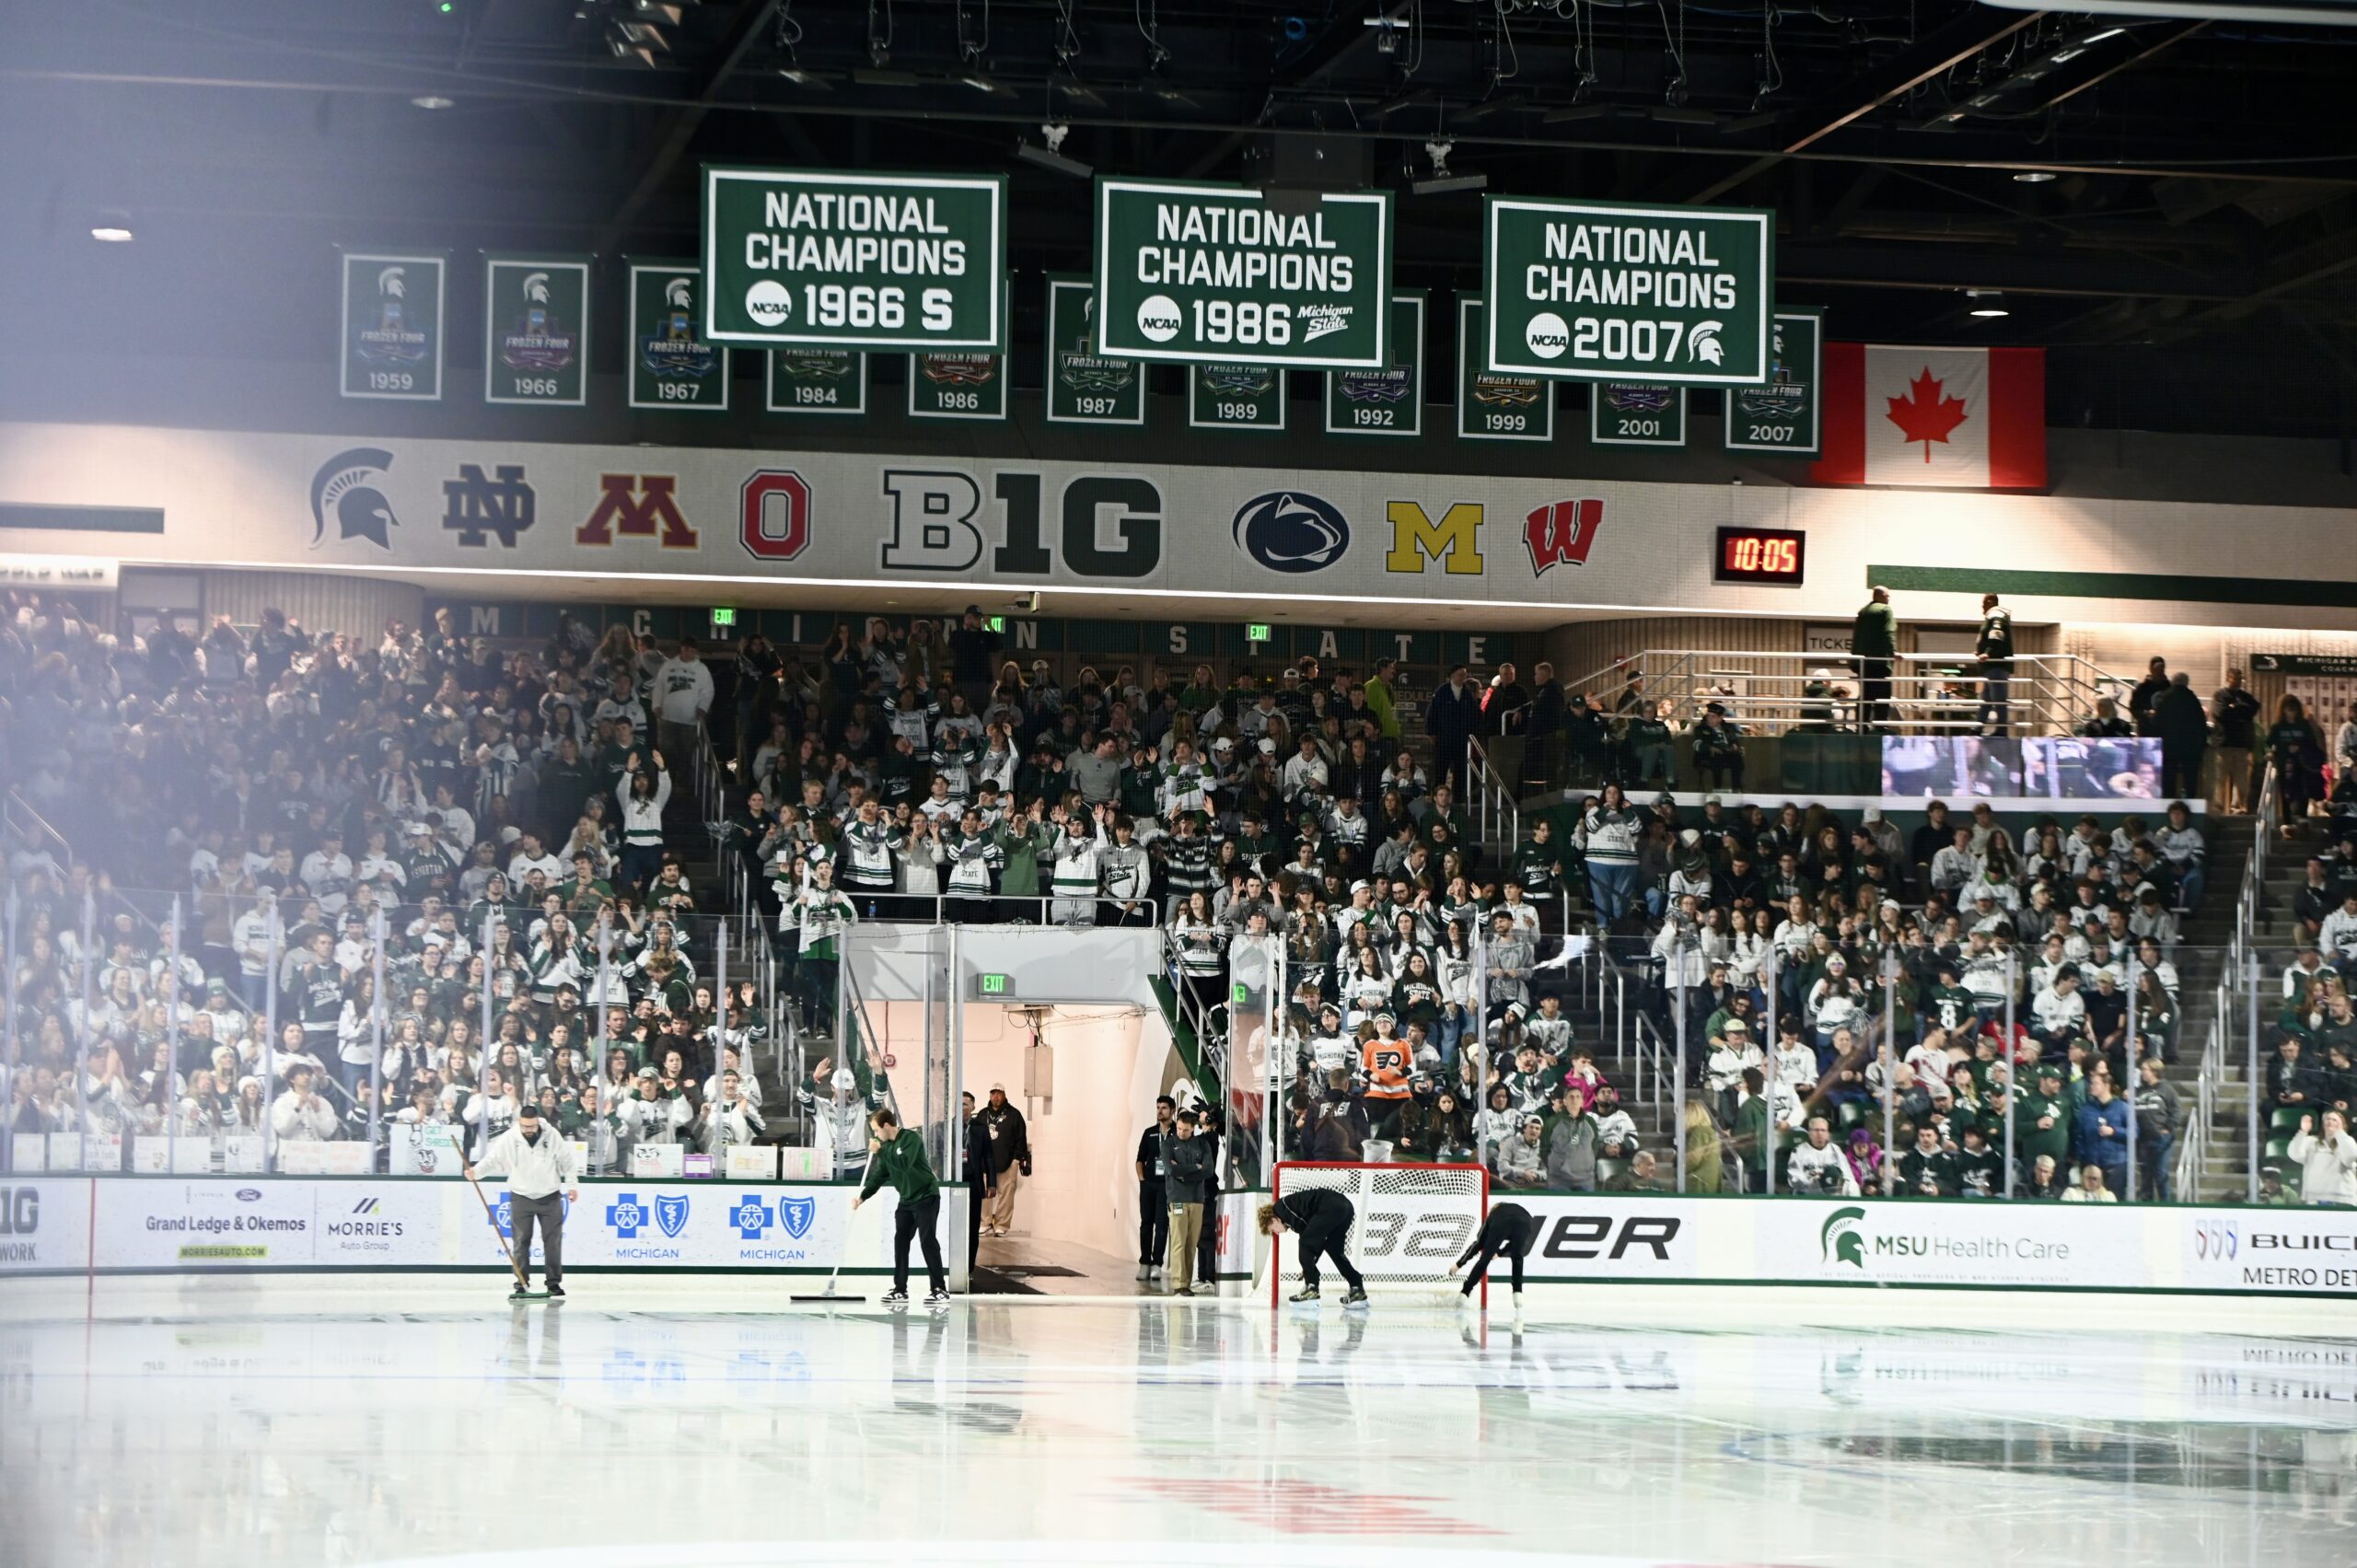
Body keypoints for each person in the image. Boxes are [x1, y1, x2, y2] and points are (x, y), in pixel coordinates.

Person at [466, 1098, 581, 1301]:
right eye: (525, 1126)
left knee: (552, 1242)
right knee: (520, 1242)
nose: (529, 1130)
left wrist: (572, 1185)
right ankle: (521, 1283)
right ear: (519, 1122)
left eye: (532, 1126)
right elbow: (493, 1159)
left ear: (538, 1122)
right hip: (521, 1196)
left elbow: (567, 1161)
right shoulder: (510, 1137)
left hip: (550, 1196)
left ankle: (553, 1283)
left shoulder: (552, 1134)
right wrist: (476, 1172)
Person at [853, 1106, 950, 1307]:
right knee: (901, 1241)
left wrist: (880, 1151)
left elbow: (904, 1163)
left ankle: (939, 1289)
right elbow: (880, 1175)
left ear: (887, 1126)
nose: (875, 1135)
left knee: (927, 1240)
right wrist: (863, 1196)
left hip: (926, 1195)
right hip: (906, 1201)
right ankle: (900, 1289)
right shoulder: (887, 1147)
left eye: (876, 1130)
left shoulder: (910, 1139)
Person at [1259, 1187, 1368, 1308]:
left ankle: (1311, 1288)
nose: (1276, 1233)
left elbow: (1308, 1241)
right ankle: (1357, 1287)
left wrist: (1308, 1271)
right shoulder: (1288, 1214)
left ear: (1274, 1220)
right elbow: (1316, 1240)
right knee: (1334, 1250)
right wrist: (1309, 1264)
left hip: (1331, 1206)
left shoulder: (1282, 1208)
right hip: (1345, 1207)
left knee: (1304, 1242)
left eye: (1273, 1230)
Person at [1447, 1200, 1538, 1312]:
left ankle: (1464, 1293)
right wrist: (1499, 1253)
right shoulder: (1516, 1210)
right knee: (1517, 1256)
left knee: (1485, 1259)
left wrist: (1459, 1264)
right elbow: (1513, 1245)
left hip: (1502, 1222)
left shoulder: (1493, 1215)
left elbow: (1478, 1244)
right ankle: (1518, 1293)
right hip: (1525, 1222)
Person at [1163, 1109, 1214, 1295]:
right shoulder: (1168, 1144)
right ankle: (1179, 1284)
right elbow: (1171, 1170)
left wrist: (1184, 1173)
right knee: (1178, 1242)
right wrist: (1196, 1167)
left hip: (1197, 1200)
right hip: (1177, 1198)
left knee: (1191, 1243)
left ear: (1193, 1128)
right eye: (1179, 1128)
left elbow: (1208, 1171)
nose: (1181, 1132)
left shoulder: (1202, 1145)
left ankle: (1186, 1283)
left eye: (1185, 1130)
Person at [974, 1083, 1030, 1237]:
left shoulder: (1014, 1114)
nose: (996, 1096)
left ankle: (1001, 1225)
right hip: (985, 1164)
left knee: (1006, 1195)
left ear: (1004, 1095)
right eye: (993, 1093)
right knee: (984, 1194)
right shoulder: (982, 1114)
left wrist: (1017, 1159)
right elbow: (975, 1137)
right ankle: (985, 1223)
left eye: (999, 1093)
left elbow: (1021, 1138)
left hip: (1007, 1162)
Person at [1134, 1094, 1176, 1283]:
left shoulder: (1177, 1132)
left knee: (1162, 1224)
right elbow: (1140, 1159)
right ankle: (1144, 1263)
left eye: (1164, 1108)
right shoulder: (1149, 1133)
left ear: (1172, 1110)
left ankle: (1157, 1264)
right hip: (1149, 1185)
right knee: (1146, 1223)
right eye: (1158, 1107)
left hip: (1167, 1186)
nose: (1160, 1111)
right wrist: (1142, 1180)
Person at [2211, 667, 2261, 814]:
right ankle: (2219, 807)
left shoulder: (2245, 697)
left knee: (2241, 779)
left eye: (2240, 679)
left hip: (2241, 744)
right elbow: (2220, 713)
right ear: (2228, 679)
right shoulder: (2219, 695)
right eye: (2235, 679)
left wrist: (2234, 708)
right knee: (2220, 778)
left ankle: (2239, 807)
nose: (2238, 682)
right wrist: (2240, 711)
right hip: (2224, 743)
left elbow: (2254, 709)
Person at [2154, 673, 2209, 801]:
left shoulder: (2164, 697)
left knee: (2169, 775)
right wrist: (2201, 744)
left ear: (2173, 681)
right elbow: (2201, 723)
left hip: (2168, 745)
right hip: (2190, 746)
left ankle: (2168, 800)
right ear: (2186, 682)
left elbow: (2157, 722)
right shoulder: (2192, 699)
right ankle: (2189, 801)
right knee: (2190, 776)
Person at [2288, 1109, 2357, 1206]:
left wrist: (2339, 1133)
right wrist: (2303, 1132)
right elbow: (2295, 1154)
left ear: (2343, 1125)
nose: (2330, 1121)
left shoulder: (2347, 1141)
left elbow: (2350, 1158)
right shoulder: (2310, 1141)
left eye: (2335, 1120)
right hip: (2314, 1198)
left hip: (2343, 1199)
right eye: (2328, 1119)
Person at [1852, 585, 1897, 730]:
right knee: (1883, 696)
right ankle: (1880, 727)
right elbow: (1888, 632)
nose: (1888, 599)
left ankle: (1861, 727)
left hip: (1862, 663)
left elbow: (1856, 637)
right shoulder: (1885, 610)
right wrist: (1893, 652)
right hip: (1879, 662)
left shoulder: (1863, 612)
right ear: (1881, 596)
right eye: (1887, 596)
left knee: (1865, 695)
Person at [1975, 592, 2014, 736]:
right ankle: (1978, 728)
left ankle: (2001, 730)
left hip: (1996, 666)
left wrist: (1987, 652)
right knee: (1987, 698)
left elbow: (1996, 635)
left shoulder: (1996, 615)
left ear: (1990, 602)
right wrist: (1981, 651)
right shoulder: (1994, 616)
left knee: (1998, 699)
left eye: (1984, 603)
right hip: (1991, 667)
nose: (1982, 607)